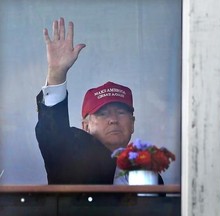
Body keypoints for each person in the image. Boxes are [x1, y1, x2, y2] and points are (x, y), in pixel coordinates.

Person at [35, 17, 163, 185]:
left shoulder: (149, 173)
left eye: (121, 112)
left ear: (132, 124)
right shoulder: (70, 156)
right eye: (102, 113)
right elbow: (52, 133)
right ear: (86, 126)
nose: (113, 119)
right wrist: (56, 73)